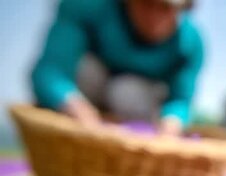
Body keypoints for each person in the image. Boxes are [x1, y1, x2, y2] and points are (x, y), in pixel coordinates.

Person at [31, 0, 203, 135]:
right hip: (82, 104)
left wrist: (169, 127)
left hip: (137, 109)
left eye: (165, 7)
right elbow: (50, 71)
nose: (154, 16)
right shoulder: (88, 5)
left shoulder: (188, 44)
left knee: (126, 92)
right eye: (146, 2)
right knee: (88, 72)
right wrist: (82, 114)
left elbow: (180, 100)